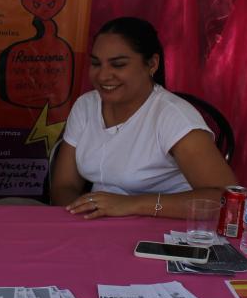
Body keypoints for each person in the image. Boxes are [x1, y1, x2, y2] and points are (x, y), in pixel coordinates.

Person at [51, 17, 235, 219]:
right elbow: (64, 185)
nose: (103, 76)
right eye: (96, 63)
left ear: (152, 64)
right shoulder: (85, 106)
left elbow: (227, 200)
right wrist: (82, 213)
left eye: (118, 65)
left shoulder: (174, 117)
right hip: (99, 229)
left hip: (164, 232)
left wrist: (131, 205)